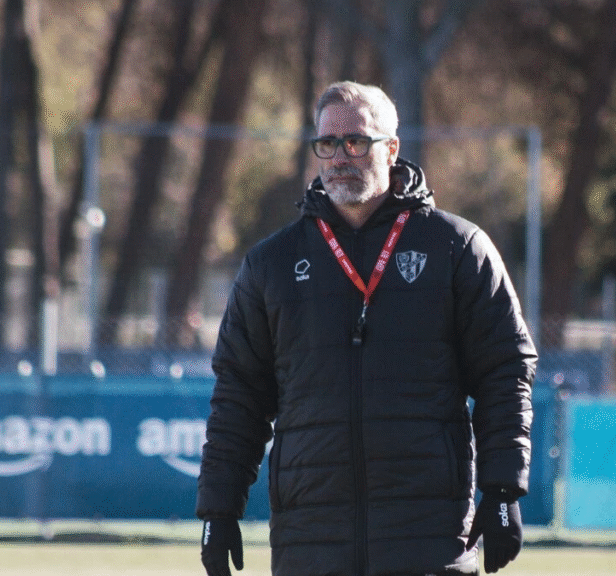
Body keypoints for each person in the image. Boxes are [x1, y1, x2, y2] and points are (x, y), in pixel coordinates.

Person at [196, 80, 537, 576]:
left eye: (356, 141)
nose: (340, 156)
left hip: (426, 538)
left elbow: (505, 373)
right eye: (327, 144)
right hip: (310, 540)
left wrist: (504, 489)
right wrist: (218, 508)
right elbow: (238, 396)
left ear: (391, 148)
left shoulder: (455, 248)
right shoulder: (272, 263)